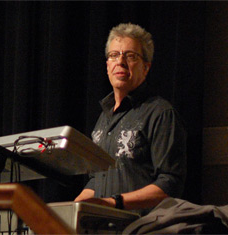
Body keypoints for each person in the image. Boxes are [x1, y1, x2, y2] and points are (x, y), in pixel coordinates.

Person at [74, 23, 187, 216]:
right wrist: (72, 207)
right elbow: (97, 179)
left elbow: (170, 182)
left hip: (143, 227)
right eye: (114, 55)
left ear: (146, 67)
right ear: (107, 66)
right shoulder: (103, 118)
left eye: (131, 56)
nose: (121, 62)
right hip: (104, 227)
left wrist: (115, 203)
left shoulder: (160, 113)